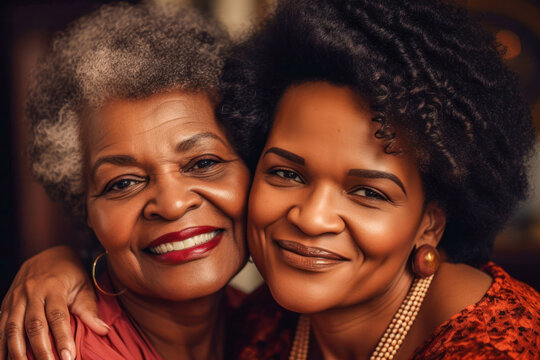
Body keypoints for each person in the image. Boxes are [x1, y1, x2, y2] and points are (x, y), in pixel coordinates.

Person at [3, 0, 540, 359]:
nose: (310, 216)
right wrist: (59, 261)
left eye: (368, 191)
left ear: (431, 220)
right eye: (287, 173)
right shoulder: (263, 324)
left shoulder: (494, 342)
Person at [1, 2, 251, 359]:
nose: (172, 203)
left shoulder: (266, 326)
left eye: (202, 162)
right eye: (122, 183)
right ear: (84, 206)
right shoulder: (61, 347)